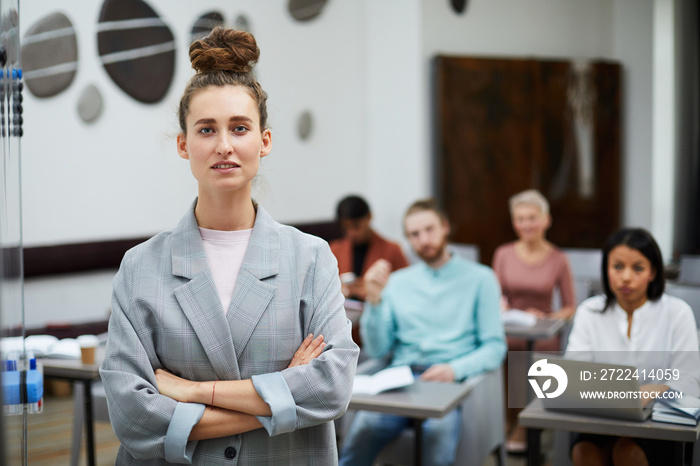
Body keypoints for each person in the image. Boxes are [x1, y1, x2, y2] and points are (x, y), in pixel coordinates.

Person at [99, 27, 359, 465]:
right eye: (206, 130)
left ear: (265, 141)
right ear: (184, 145)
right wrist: (282, 394)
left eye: (240, 128)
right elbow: (133, 415)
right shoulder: (141, 266)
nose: (224, 146)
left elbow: (332, 387)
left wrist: (193, 393)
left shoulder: (311, 257)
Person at [339, 198, 506, 466]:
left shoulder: (481, 278)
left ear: (445, 227)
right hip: (401, 379)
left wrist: (454, 369)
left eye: (429, 230)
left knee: (437, 435)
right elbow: (378, 349)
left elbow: (494, 346)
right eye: (414, 234)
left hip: (449, 381)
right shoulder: (397, 282)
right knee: (363, 430)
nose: (423, 240)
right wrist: (375, 301)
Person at [566, 228, 700, 466]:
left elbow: (690, 379)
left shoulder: (677, 313)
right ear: (606, 269)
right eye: (617, 267)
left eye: (638, 268)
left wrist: (652, 390)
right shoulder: (589, 311)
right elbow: (573, 373)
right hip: (602, 416)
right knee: (584, 451)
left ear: (653, 272)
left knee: (627, 451)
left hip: (658, 420)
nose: (626, 277)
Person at [492, 189, 576, 453]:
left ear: (546, 220)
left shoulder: (558, 259)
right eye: (520, 219)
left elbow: (570, 307)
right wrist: (501, 304)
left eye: (531, 217)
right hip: (510, 327)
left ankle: (522, 422)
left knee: (526, 355)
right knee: (503, 350)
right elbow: (495, 294)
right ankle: (507, 418)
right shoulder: (503, 253)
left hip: (542, 332)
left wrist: (548, 317)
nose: (526, 224)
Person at [330, 194, 409, 301]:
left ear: (369, 217)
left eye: (356, 226)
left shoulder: (392, 249)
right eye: (346, 228)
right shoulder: (335, 249)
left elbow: (406, 288)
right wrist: (340, 290)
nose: (351, 233)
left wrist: (373, 291)